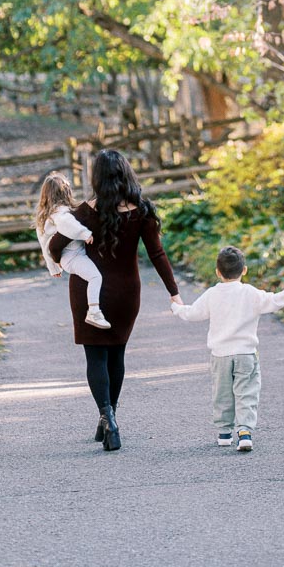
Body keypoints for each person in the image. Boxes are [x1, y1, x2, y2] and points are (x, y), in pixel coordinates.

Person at [48, 148, 181, 452]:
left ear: (97, 178)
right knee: (117, 356)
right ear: (125, 173)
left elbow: (56, 245)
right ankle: (111, 415)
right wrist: (173, 291)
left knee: (95, 357)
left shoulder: (84, 212)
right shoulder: (142, 211)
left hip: (87, 291)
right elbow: (157, 254)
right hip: (126, 293)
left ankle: (106, 416)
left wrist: (62, 258)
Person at [170, 245, 284, 452]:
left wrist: (176, 307)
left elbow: (192, 314)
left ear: (218, 272)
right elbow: (274, 301)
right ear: (244, 270)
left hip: (220, 356)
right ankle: (244, 431)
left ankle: (224, 433)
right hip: (246, 354)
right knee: (247, 393)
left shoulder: (212, 294)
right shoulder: (250, 293)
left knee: (222, 394)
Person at [35, 172, 110, 329]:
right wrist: (85, 233)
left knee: (92, 276)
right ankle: (94, 312)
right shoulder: (61, 213)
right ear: (65, 192)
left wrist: (52, 267)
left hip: (67, 258)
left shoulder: (47, 215)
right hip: (73, 256)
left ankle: (94, 310)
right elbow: (66, 223)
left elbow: (43, 244)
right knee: (96, 277)